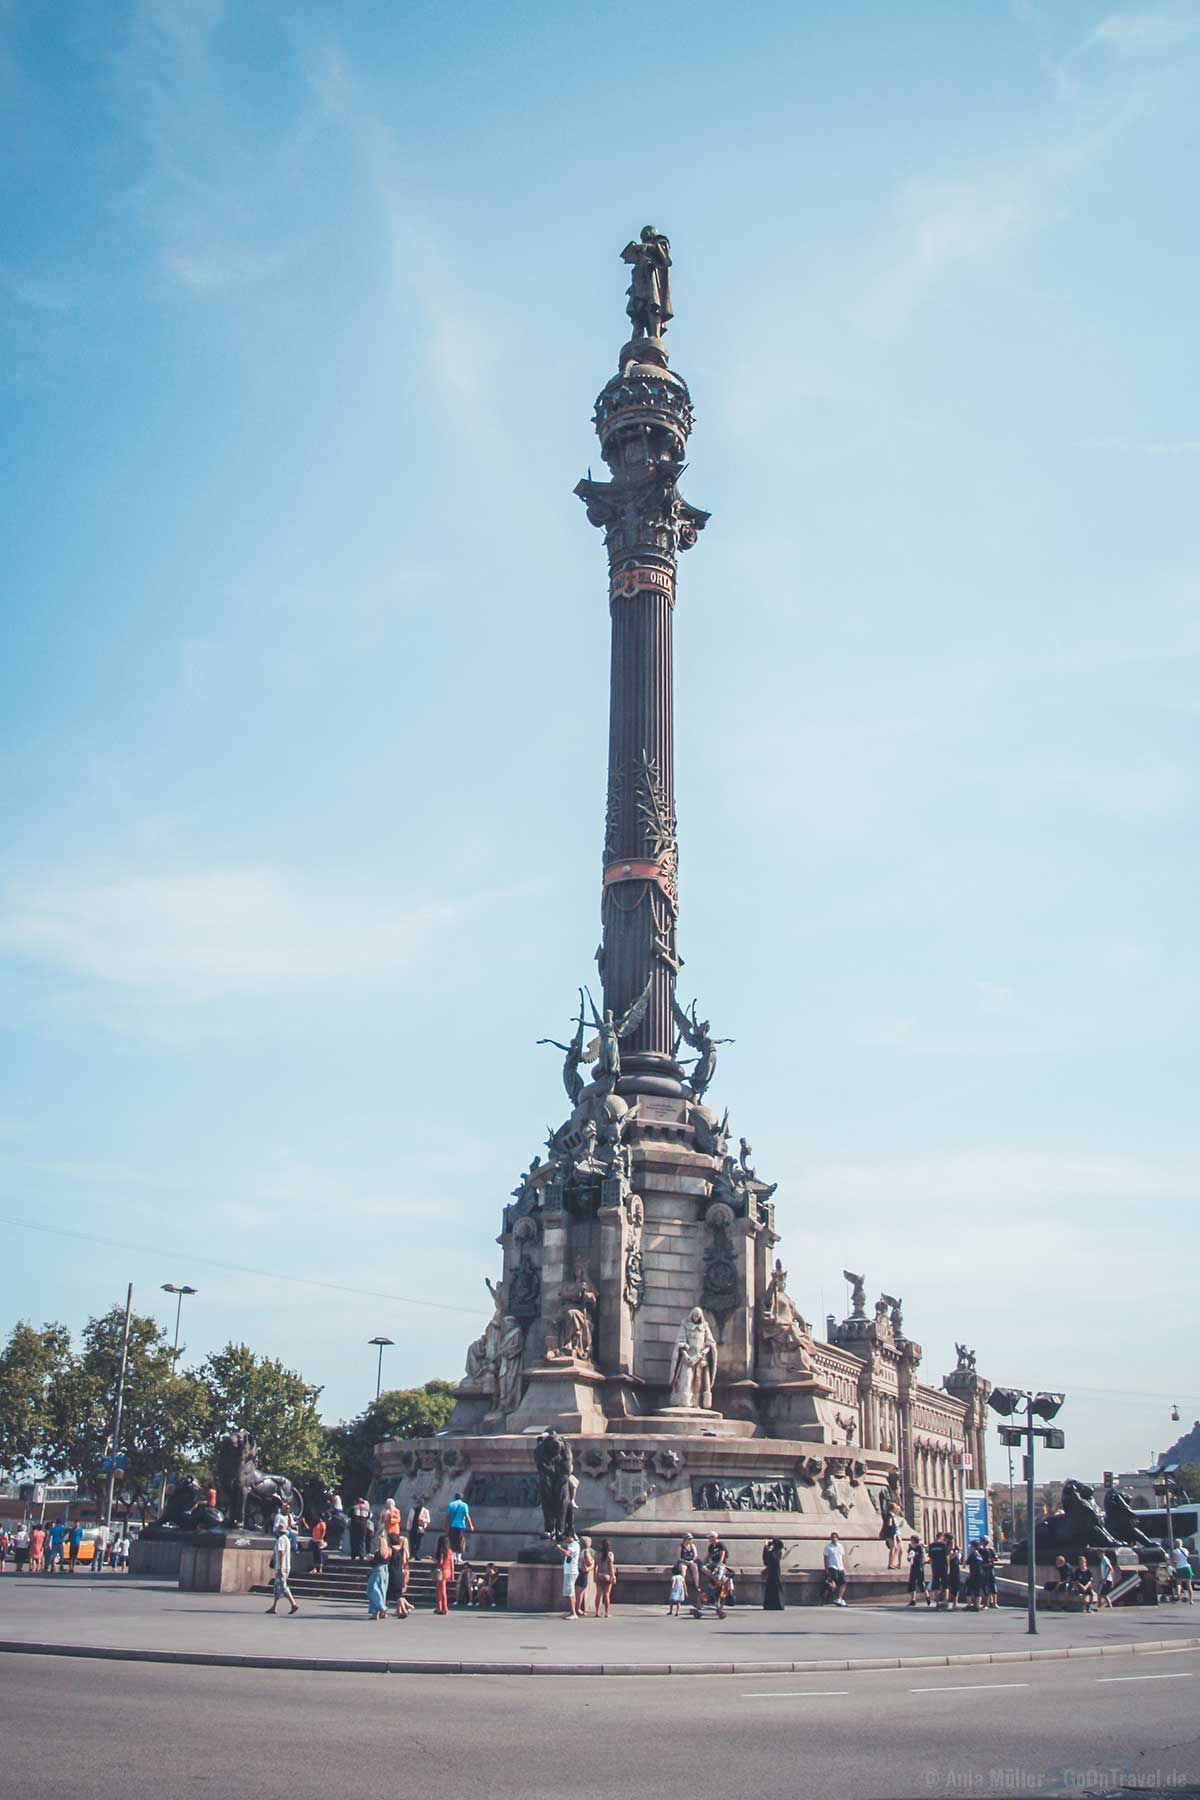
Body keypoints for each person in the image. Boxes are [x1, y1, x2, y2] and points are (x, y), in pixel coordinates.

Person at [266, 1525, 299, 1615]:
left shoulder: (280, 1540)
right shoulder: (286, 1539)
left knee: (283, 1585)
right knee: (277, 1586)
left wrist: (280, 1567)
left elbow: (281, 1553)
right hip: (285, 1566)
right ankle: (274, 1606)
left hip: (282, 1567)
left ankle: (293, 1603)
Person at [386, 1525, 412, 1618]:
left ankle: (384, 1610)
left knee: (388, 1592)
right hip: (399, 1572)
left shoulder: (390, 1550)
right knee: (398, 1594)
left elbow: (386, 1559)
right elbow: (404, 1561)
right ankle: (402, 1609)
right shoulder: (403, 1551)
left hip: (391, 1572)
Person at [555, 1529, 581, 1618]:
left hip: (571, 1571)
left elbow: (567, 1553)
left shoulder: (574, 1545)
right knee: (571, 1593)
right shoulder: (571, 1545)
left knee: (569, 1593)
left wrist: (559, 1548)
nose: (564, 1540)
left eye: (565, 1538)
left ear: (570, 1537)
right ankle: (572, 1612)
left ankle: (573, 1613)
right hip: (569, 1571)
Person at [367, 1529, 391, 1621]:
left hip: (377, 1571)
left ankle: (380, 1608)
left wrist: (370, 1559)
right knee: (382, 1591)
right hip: (385, 1571)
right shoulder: (388, 1551)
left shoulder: (378, 1553)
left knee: (373, 1591)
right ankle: (379, 1612)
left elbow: (374, 1564)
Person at [762, 1537, 787, 1611]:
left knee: (772, 1589)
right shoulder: (778, 1551)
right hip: (774, 1572)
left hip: (773, 1573)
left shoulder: (775, 1552)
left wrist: (766, 1546)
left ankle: (774, 1605)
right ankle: (775, 1604)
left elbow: (768, 1559)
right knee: (774, 1589)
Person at [594, 1538, 617, 1617]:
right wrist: (613, 1576)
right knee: (607, 1594)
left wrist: (595, 1574)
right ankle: (607, 1613)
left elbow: (595, 1566)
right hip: (607, 1576)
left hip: (599, 1575)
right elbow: (611, 1566)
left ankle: (597, 1612)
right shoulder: (610, 1554)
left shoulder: (597, 1554)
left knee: (598, 1594)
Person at [823, 1531, 848, 1606]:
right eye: (832, 1537)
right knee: (833, 1585)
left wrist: (844, 1567)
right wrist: (826, 1568)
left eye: (835, 1537)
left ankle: (839, 1598)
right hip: (832, 1567)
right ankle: (825, 1597)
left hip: (840, 1567)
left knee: (843, 1583)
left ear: (837, 1538)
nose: (834, 1539)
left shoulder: (840, 1546)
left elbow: (842, 1557)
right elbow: (825, 1558)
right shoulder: (828, 1547)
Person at [446, 1492, 473, 1558]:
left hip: (452, 1525)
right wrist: (471, 1525)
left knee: (452, 1540)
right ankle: (459, 1557)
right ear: (461, 1498)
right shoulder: (464, 1505)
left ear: (455, 1497)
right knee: (460, 1541)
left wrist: (446, 1526)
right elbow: (467, 1516)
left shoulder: (451, 1504)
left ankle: (453, 1556)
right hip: (461, 1526)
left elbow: (448, 1517)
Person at [927, 1532, 950, 1609]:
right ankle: (945, 1602)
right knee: (945, 1585)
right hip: (943, 1567)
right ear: (941, 1537)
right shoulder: (943, 1545)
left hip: (935, 1567)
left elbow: (930, 1559)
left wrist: (932, 1567)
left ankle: (937, 1603)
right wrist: (948, 1567)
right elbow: (947, 1557)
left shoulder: (931, 1546)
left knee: (936, 1586)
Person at [678, 1531, 701, 1604]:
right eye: (689, 1538)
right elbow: (678, 1557)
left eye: (691, 1538)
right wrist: (685, 1561)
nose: (690, 1540)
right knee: (683, 1570)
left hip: (691, 1561)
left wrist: (691, 1560)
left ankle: (697, 1585)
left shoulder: (692, 1546)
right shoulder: (680, 1546)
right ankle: (682, 1586)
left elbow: (696, 1556)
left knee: (695, 1568)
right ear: (685, 1539)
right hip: (683, 1561)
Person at [433, 1534, 454, 1615]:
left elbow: (441, 1562)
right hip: (448, 1571)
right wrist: (452, 1575)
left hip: (442, 1571)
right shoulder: (450, 1551)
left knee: (440, 1590)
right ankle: (441, 1607)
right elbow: (452, 1564)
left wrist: (435, 1560)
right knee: (442, 1590)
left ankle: (442, 1607)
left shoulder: (442, 1551)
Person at [575, 1535, 595, 1616]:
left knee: (578, 1591)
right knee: (580, 1592)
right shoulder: (586, 1552)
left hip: (577, 1571)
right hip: (583, 1572)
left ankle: (576, 1608)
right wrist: (593, 1564)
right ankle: (578, 1609)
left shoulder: (579, 1550)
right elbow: (588, 1563)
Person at [906, 1535, 928, 1606]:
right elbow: (909, 1558)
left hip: (919, 1567)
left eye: (911, 1540)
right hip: (913, 1567)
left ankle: (927, 1597)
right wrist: (910, 1556)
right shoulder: (911, 1548)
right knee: (912, 1583)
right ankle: (913, 1599)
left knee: (921, 1583)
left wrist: (914, 1553)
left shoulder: (919, 1547)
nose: (910, 1541)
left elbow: (921, 1557)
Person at [349, 1497, 372, 1562]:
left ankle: (354, 1555)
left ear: (357, 1501)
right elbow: (368, 1517)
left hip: (354, 1525)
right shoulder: (367, 1509)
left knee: (353, 1540)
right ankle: (361, 1555)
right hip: (363, 1525)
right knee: (362, 1540)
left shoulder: (353, 1507)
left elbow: (349, 1515)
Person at [979, 1537, 998, 1608]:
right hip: (984, 1569)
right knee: (986, 1586)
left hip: (989, 1569)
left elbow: (996, 1558)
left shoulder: (990, 1550)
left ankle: (994, 1602)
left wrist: (990, 1561)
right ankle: (987, 1603)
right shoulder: (980, 1550)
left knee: (992, 1585)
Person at [947, 1540, 963, 1610]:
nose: (952, 1546)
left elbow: (959, 1560)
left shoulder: (957, 1551)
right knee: (950, 1586)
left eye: (953, 1544)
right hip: (950, 1570)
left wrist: (958, 1554)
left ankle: (955, 1603)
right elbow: (949, 1558)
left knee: (956, 1586)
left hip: (956, 1570)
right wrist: (953, 1555)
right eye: (951, 1544)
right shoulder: (947, 1551)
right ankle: (948, 1602)